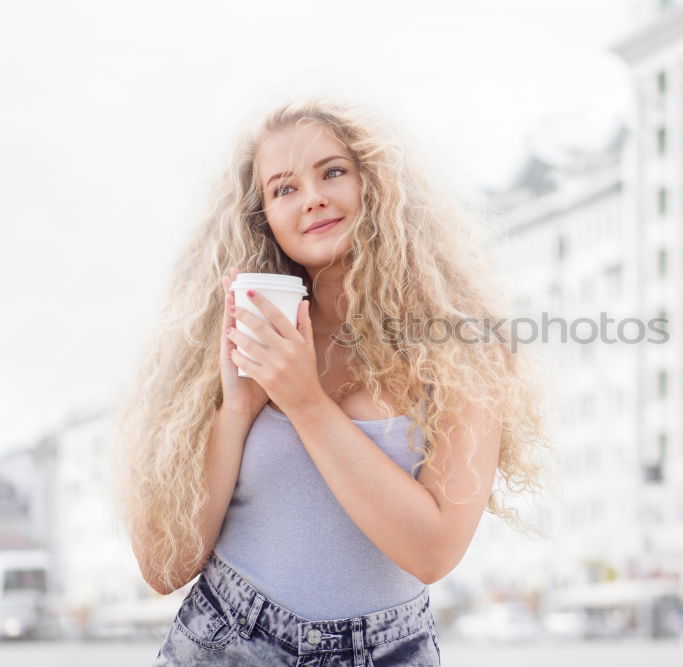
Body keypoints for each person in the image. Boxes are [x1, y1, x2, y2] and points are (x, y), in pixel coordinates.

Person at [109, 97, 554, 666]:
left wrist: (306, 405)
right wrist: (239, 410)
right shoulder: (236, 339)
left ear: (376, 184)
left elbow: (433, 551)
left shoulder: (464, 349)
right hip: (228, 641)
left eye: (333, 172)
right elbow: (164, 567)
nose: (312, 197)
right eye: (283, 188)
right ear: (262, 215)